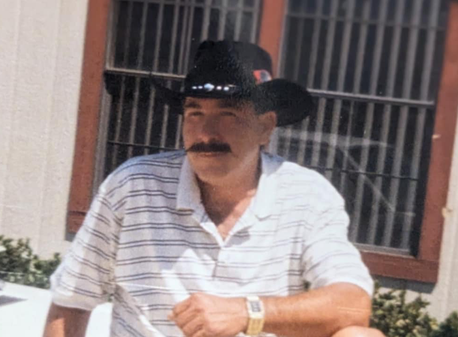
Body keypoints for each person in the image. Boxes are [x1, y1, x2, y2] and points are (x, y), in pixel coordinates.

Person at [43, 41, 384, 337]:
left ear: (265, 127)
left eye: (227, 114)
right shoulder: (134, 185)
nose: (206, 133)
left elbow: (352, 306)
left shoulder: (306, 195)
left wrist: (246, 312)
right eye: (194, 113)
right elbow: (71, 301)